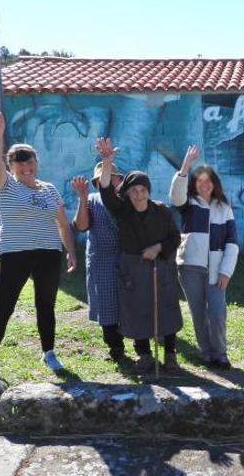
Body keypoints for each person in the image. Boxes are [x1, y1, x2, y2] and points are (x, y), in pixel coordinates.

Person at [0, 108, 77, 379]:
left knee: (46, 305)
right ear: (12, 167)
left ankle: (49, 352)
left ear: (36, 162)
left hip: (48, 254)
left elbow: (62, 223)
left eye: (30, 162)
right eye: (20, 164)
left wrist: (71, 251)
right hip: (14, 254)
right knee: (2, 307)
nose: (27, 168)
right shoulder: (5, 185)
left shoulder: (49, 189)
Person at [96, 137, 184, 374]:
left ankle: (170, 354)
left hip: (161, 266)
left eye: (142, 189)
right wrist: (106, 162)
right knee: (137, 309)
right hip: (133, 268)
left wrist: (158, 249)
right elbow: (105, 190)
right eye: (134, 190)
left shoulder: (162, 211)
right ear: (127, 193)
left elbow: (175, 238)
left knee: (165, 307)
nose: (139, 194)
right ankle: (144, 354)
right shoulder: (122, 212)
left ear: (148, 191)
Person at [170, 145, 239, 369]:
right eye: (199, 181)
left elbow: (232, 242)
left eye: (208, 180)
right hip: (190, 267)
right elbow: (175, 195)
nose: (204, 184)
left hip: (216, 270)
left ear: (214, 183)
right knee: (198, 312)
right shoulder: (188, 204)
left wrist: (226, 271)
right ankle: (206, 352)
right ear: (194, 184)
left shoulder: (224, 208)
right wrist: (185, 166)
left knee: (217, 313)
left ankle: (221, 353)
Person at [70, 161, 126, 362]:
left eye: (112, 177)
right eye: (102, 179)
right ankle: (115, 346)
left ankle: (140, 346)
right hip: (100, 260)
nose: (108, 182)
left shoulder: (127, 199)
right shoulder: (92, 200)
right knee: (106, 304)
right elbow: (82, 226)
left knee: (129, 302)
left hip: (126, 259)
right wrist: (83, 198)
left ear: (119, 180)